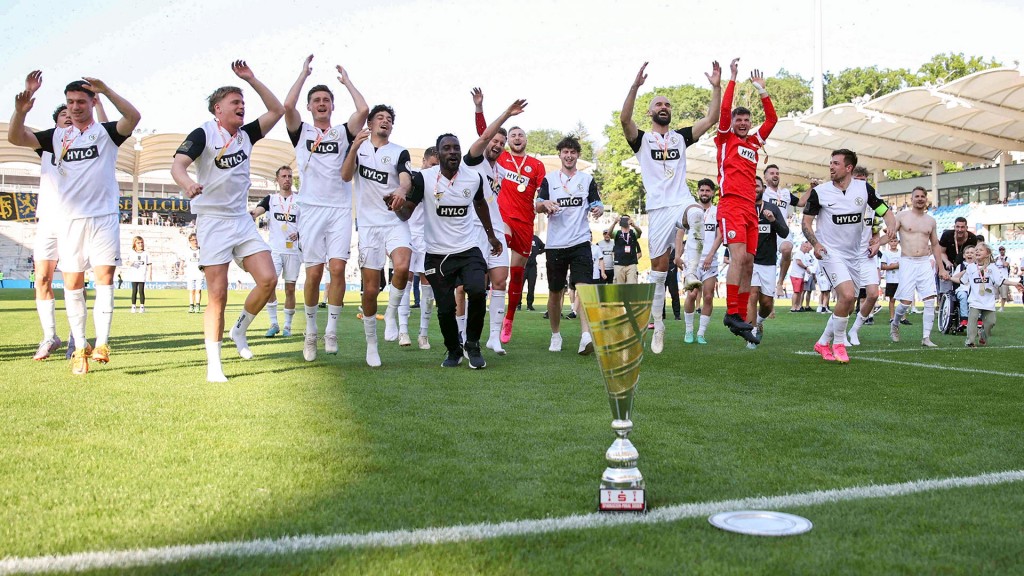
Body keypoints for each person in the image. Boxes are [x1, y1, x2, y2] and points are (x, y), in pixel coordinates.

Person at [8, 73, 141, 375]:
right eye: (70, 102)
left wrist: (107, 88)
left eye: (81, 101)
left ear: (93, 102)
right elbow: (15, 138)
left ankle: (103, 343)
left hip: (103, 217)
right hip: (68, 221)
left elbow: (133, 116)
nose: (75, 107)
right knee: (72, 284)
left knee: (105, 278)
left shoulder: (106, 133)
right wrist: (21, 111)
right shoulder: (55, 137)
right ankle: (80, 346)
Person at [171, 60, 285, 382]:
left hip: (241, 219)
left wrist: (251, 79)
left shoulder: (246, 135)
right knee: (217, 295)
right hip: (212, 221)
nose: (242, 108)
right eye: (236, 103)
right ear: (218, 109)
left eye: (243, 103)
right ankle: (214, 366)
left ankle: (240, 331)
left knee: (268, 279)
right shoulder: (203, 133)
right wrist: (187, 184)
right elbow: (177, 165)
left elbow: (277, 110)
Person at [620, 60, 721, 354]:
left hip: (679, 202)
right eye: (658, 104)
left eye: (667, 104)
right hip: (657, 209)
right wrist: (635, 88)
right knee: (658, 270)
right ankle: (658, 327)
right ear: (651, 112)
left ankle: (690, 272)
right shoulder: (642, 140)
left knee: (697, 214)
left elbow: (711, 118)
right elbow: (625, 120)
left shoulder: (680, 136)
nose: (664, 106)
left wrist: (716, 87)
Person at [282, 55, 368, 361]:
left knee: (338, 268)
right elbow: (287, 108)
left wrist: (347, 83)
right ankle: (310, 332)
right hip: (311, 208)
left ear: (332, 106)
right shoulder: (301, 131)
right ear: (310, 106)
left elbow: (363, 111)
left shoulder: (343, 132)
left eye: (326, 100)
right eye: (316, 100)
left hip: (340, 208)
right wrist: (303, 74)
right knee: (314, 273)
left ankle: (331, 331)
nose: (321, 104)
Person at [394, 133, 501, 369]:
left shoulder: (473, 178)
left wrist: (491, 236)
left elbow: (481, 204)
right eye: (447, 148)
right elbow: (407, 212)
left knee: (476, 291)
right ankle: (454, 350)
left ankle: (472, 344)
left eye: (456, 148)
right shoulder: (423, 178)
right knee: (444, 308)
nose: (452, 152)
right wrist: (396, 208)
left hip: (468, 248)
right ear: (439, 153)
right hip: (437, 254)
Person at [802, 149, 895, 364]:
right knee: (846, 296)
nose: (831, 167)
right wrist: (815, 244)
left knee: (849, 301)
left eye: (836, 163)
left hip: (853, 254)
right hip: (829, 252)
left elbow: (885, 211)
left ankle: (823, 342)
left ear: (848, 168)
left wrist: (890, 225)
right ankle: (840, 344)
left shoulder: (863, 189)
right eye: (831, 163)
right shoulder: (821, 192)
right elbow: (806, 222)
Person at [341, 103, 413, 367]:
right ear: (369, 124)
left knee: (403, 266)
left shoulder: (398, 151)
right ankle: (372, 345)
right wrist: (353, 147)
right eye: (380, 118)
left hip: (393, 221)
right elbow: (345, 175)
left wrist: (402, 192)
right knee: (370, 290)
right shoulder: (359, 148)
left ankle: (391, 314)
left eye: (389, 119)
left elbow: (406, 178)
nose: (385, 121)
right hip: (369, 226)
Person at [473, 90, 546, 345]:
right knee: (497, 268)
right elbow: (485, 133)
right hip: (502, 219)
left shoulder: (536, 165)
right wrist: (480, 108)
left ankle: (509, 319)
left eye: (520, 135)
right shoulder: (500, 156)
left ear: (526, 140)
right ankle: (483, 304)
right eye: (512, 135)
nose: (515, 138)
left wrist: (543, 204)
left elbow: (540, 193)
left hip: (525, 221)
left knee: (517, 274)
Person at [715, 58, 777, 345]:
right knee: (738, 258)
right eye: (738, 120)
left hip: (751, 209)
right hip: (731, 204)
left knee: (750, 263)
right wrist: (732, 78)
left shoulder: (754, 143)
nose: (741, 123)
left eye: (746, 121)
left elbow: (772, 120)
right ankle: (731, 312)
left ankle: (738, 314)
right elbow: (725, 110)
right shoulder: (726, 139)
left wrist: (762, 92)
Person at [462, 96, 528, 355]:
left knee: (500, 280)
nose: (498, 145)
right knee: (473, 287)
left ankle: (493, 337)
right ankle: (467, 338)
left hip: (495, 229)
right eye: (495, 141)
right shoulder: (474, 161)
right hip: (473, 230)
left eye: (501, 143)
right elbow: (483, 134)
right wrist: (501, 114)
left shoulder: (499, 168)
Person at [536, 135, 603, 355]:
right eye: (565, 152)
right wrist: (545, 204)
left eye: (573, 152)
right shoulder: (549, 179)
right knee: (556, 293)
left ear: (577, 155)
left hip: (580, 242)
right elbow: (537, 205)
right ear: (560, 155)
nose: (569, 155)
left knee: (584, 290)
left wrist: (598, 209)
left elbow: (597, 203)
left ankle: (586, 336)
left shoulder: (587, 180)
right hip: (555, 245)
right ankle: (556, 334)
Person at [889, 186, 949, 347]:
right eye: (917, 196)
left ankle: (926, 337)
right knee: (905, 303)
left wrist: (941, 268)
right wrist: (875, 244)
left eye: (923, 196)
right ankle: (895, 324)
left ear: (926, 199)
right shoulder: (901, 216)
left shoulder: (931, 220)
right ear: (911, 199)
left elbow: (935, 245)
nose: (920, 198)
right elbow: (890, 234)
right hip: (907, 261)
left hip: (924, 262)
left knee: (930, 299)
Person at [250, 165, 301, 337]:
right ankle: (273, 323)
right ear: (277, 179)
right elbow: (258, 211)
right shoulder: (270, 199)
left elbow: (310, 221)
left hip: (294, 251)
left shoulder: (300, 200)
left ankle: (287, 326)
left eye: (289, 176)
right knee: (270, 285)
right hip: (275, 250)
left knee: (290, 289)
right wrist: (253, 214)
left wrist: (300, 232)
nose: (287, 179)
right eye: (283, 176)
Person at [402, 147, 440, 350]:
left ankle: (423, 334)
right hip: (407, 234)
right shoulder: (413, 178)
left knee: (428, 285)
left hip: (428, 238)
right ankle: (403, 330)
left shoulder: (440, 182)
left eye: (438, 165)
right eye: (433, 164)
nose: (435, 168)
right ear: (424, 161)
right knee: (404, 280)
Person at [746, 176, 789, 348]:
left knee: (766, 304)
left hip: (769, 262)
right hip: (750, 261)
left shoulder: (772, 208)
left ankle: (758, 321)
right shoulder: (744, 209)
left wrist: (773, 220)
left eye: (757, 186)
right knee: (752, 294)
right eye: (751, 186)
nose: (754, 189)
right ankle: (752, 334)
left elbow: (784, 233)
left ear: (762, 188)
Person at [953, 243, 1023, 347]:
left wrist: (1015, 283)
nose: (977, 252)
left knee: (991, 322)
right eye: (976, 250)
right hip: (974, 300)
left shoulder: (992, 267)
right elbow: (963, 280)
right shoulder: (971, 267)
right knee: (972, 320)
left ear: (987, 253)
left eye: (980, 250)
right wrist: (949, 278)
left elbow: (1001, 280)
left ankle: (982, 335)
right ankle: (970, 341)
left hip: (988, 300)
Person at [846, 167, 885, 346]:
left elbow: (876, 230)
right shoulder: (844, 199)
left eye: (863, 180)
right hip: (848, 255)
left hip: (866, 255)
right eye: (857, 180)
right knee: (847, 298)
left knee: (873, 294)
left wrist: (876, 242)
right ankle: (838, 334)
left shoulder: (873, 203)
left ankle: (854, 330)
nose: (861, 183)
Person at [682, 179, 719, 344]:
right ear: (698, 192)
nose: (704, 193)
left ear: (712, 193)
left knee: (709, 296)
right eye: (702, 190)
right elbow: (679, 231)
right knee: (692, 294)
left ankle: (701, 333)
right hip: (692, 261)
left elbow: (720, 235)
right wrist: (678, 254)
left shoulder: (718, 212)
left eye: (707, 191)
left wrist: (711, 254)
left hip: (710, 261)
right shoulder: (690, 210)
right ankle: (689, 331)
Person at [762, 164, 800, 296]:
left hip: (781, 229)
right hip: (765, 232)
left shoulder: (785, 193)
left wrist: (812, 190)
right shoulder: (762, 192)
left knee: (787, 248)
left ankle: (780, 282)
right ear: (765, 177)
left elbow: (801, 203)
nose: (775, 175)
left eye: (777, 173)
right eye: (772, 173)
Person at [937, 216, 977, 288]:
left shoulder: (972, 238)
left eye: (962, 227)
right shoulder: (947, 235)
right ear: (954, 227)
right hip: (948, 265)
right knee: (946, 288)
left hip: (964, 266)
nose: (959, 229)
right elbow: (941, 252)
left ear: (966, 228)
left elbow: (974, 254)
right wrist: (946, 262)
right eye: (957, 227)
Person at [125, 235, 151, 313]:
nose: (140, 244)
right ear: (134, 244)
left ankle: (142, 306)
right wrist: (130, 263)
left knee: (141, 291)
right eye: (138, 243)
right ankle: (133, 306)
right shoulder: (131, 252)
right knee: (134, 291)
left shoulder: (146, 253)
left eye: (141, 243)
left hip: (142, 274)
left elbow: (149, 264)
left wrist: (150, 274)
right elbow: (127, 262)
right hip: (134, 275)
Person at [879, 238, 901, 323]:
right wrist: (893, 266)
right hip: (891, 279)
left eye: (895, 241)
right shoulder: (886, 253)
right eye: (891, 241)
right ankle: (892, 317)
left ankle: (902, 318)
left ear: (898, 242)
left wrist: (897, 265)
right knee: (892, 299)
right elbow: (883, 266)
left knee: (902, 300)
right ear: (888, 243)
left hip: (901, 279)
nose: (893, 243)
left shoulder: (901, 253)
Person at [790, 241, 814, 312]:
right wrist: (806, 268)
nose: (806, 248)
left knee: (800, 292)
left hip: (801, 275)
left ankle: (797, 306)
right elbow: (798, 262)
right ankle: (793, 307)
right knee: (796, 292)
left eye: (807, 247)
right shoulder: (799, 253)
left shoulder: (803, 254)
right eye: (805, 247)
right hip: (796, 275)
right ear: (802, 247)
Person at [184, 233, 203, 313]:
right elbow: (183, 260)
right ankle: (191, 305)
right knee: (192, 290)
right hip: (190, 273)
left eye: (196, 239)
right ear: (190, 241)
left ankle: (197, 305)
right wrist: (181, 269)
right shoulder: (187, 251)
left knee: (198, 290)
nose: (195, 241)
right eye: (193, 240)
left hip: (199, 273)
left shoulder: (201, 250)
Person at [525, 234, 544, 310]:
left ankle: (529, 304)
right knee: (519, 285)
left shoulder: (535, 238)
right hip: (523, 265)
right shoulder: (522, 235)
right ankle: (518, 304)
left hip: (532, 266)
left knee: (531, 286)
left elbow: (544, 247)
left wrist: (537, 252)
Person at [994, 245, 1011, 311]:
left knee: (1004, 294)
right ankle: (993, 306)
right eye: (1000, 250)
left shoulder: (1007, 258)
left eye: (1003, 250)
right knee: (995, 293)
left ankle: (1002, 307)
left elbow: (1005, 265)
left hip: (1004, 278)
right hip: (997, 277)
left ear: (1004, 250)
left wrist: (1002, 259)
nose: (1001, 251)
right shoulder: (996, 258)